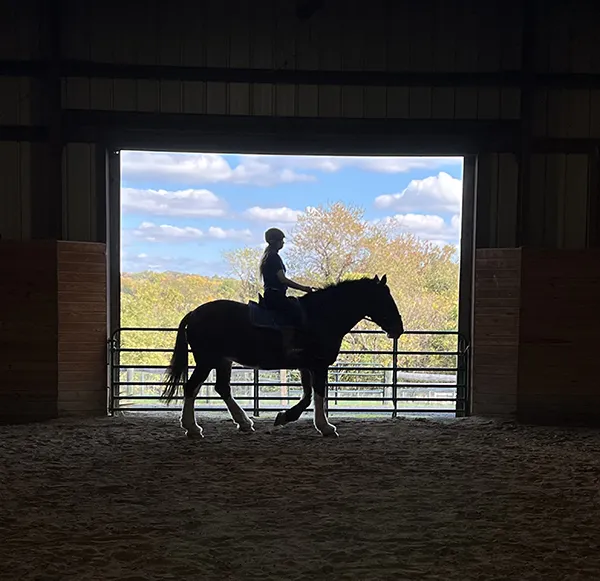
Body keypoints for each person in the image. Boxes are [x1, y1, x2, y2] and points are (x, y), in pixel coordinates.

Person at [259, 227, 314, 358]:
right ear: (276, 242)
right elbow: (282, 279)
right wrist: (304, 288)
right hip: (276, 295)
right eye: (281, 241)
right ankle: (288, 347)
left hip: (271, 294)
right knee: (295, 311)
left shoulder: (268, 257)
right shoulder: (274, 258)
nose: (283, 243)